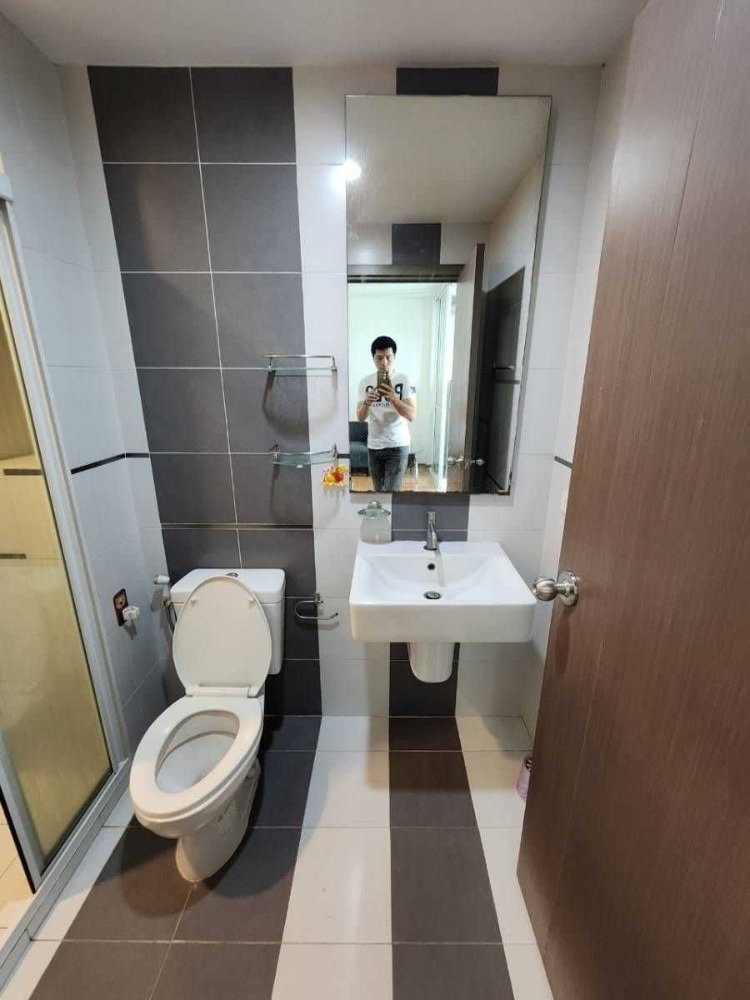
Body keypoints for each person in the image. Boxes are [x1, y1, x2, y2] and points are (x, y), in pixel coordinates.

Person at [356, 336, 417, 491]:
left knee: (391, 495)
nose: (384, 362)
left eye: (388, 357)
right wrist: (367, 402)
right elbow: (360, 418)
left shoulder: (404, 380)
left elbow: (412, 415)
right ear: (373, 358)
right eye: (379, 358)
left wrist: (393, 399)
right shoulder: (365, 382)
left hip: (397, 445)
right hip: (374, 446)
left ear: (394, 357)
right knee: (379, 493)